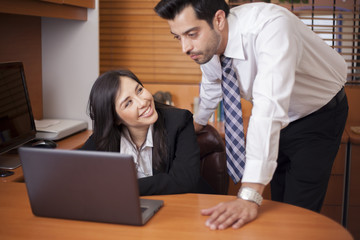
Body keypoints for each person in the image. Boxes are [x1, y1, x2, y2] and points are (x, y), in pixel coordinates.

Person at [154, 0, 348, 230]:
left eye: (191, 34)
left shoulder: (271, 28)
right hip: (280, 121)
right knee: (277, 203)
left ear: (218, 20)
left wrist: (249, 196)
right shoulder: (209, 45)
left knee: (298, 211)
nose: (185, 47)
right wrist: (195, 125)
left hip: (317, 115)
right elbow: (212, 84)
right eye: (178, 37)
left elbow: (268, 109)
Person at [81, 69, 213, 195]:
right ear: (115, 119)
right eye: (128, 103)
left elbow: (185, 180)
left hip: (190, 208)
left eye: (139, 90)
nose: (143, 102)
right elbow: (75, 174)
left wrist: (123, 186)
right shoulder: (105, 137)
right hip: (137, 209)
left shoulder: (179, 121)